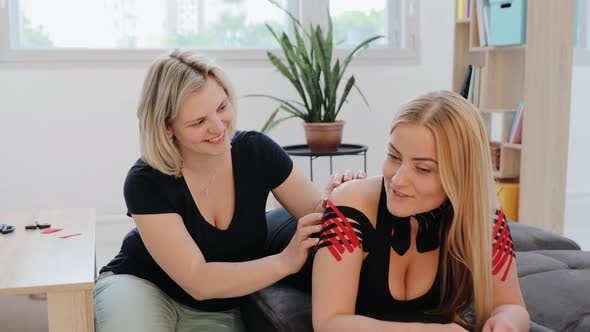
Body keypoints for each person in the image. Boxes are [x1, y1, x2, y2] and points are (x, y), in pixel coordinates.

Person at [94, 49, 363, 332]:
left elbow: (318, 214)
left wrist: (340, 198)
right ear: (167, 127)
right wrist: (285, 261)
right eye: (198, 122)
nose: (218, 127)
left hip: (218, 304)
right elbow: (198, 280)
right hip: (142, 284)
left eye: (222, 107)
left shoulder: (256, 152)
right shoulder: (146, 180)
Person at [312, 91, 530, 332]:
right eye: (394, 156)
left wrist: (506, 322)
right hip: (288, 236)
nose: (398, 178)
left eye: (423, 169)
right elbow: (329, 322)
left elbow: (511, 305)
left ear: (461, 176)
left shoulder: (483, 217)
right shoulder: (350, 204)